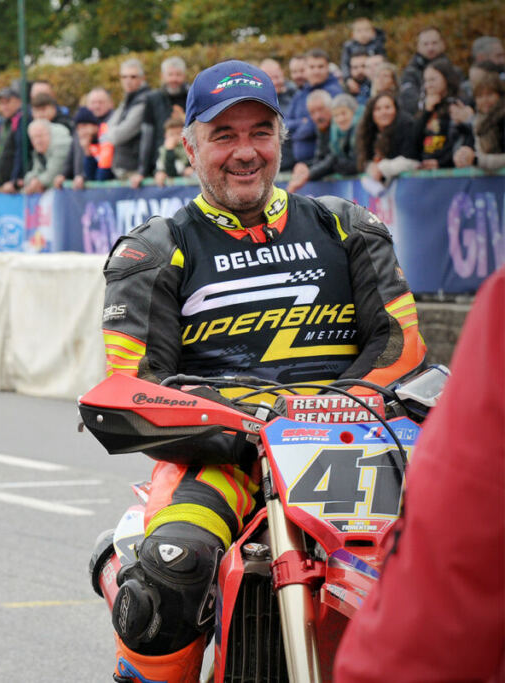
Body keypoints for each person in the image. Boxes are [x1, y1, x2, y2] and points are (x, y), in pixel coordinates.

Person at [98, 59, 426, 683]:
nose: (245, 152)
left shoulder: (347, 225)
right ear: (190, 146)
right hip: (223, 458)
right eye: (224, 135)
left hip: (356, 449)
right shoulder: (153, 248)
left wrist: (321, 412)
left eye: (260, 133)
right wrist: (247, 421)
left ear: (281, 138)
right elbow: (136, 382)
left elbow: (402, 348)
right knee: (172, 569)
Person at [333, 266, 505, 683]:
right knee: (182, 561)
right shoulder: (176, 243)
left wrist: (330, 406)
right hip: (221, 447)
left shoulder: (349, 232)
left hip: (350, 431)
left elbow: (398, 344)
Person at [287, 91, 359, 192]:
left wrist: (308, 174)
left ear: (331, 108)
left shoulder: (342, 125)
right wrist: (304, 167)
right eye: (312, 112)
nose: (317, 116)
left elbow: (334, 159)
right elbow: (321, 159)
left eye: (321, 109)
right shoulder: (321, 128)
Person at [411, 60, 472, 169]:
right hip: (425, 168)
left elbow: (461, 140)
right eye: (425, 81)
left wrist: (441, 163)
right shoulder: (425, 107)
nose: (428, 85)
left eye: (432, 80)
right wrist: (426, 112)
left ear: (446, 78)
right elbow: (413, 141)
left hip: (449, 169)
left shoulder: (458, 104)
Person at [101, 58, 152, 187]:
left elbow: (117, 136)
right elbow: (108, 126)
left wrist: (109, 133)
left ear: (142, 78)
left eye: (133, 77)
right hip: (125, 168)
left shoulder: (144, 100)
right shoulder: (128, 99)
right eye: (124, 77)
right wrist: (109, 132)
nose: (128, 81)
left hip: (136, 170)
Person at [287, 48, 343, 164]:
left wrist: (296, 135)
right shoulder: (300, 94)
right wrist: (302, 122)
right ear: (306, 69)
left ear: (327, 68)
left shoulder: (334, 92)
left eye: (320, 67)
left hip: (324, 162)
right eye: (312, 67)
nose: (316, 71)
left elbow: (315, 126)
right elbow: (284, 123)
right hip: (299, 164)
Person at [356, 91, 418, 184]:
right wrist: (371, 167)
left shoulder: (407, 125)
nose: (383, 112)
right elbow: (364, 161)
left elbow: (412, 160)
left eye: (388, 107)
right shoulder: (369, 133)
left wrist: (382, 168)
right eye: (378, 109)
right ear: (371, 114)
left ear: (396, 109)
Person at [400, 27, 463, 115]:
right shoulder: (410, 73)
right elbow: (408, 100)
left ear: (443, 44)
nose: (430, 48)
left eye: (434, 43)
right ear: (418, 46)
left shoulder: (455, 71)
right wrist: (426, 105)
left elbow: (463, 96)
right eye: (425, 44)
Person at [451, 73, 505, 171]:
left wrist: (475, 160)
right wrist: (464, 156)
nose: (485, 100)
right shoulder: (479, 122)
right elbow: (479, 155)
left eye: (489, 94)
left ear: (500, 96)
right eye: (480, 96)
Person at [259, 58, 298, 171]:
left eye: (278, 77)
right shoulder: (255, 103)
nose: (275, 82)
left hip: (293, 164)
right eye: (271, 78)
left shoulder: (295, 95)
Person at [21, 118, 71, 194]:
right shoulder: (39, 151)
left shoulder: (60, 145)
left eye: (40, 136)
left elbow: (52, 175)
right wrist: (32, 181)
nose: (38, 141)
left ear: (49, 134)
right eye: (34, 137)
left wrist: (37, 182)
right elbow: (36, 171)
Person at [339, 18, 386, 88]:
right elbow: (344, 64)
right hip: (355, 79)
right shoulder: (349, 47)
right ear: (353, 34)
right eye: (359, 31)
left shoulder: (377, 45)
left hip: (373, 78)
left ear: (373, 32)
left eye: (367, 30)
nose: (363, 34)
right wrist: (348, 79)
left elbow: (383, 63)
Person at [153, 115, 193, 185]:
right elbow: (167, 170)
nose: (175, 138)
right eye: (171, 134)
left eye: (178, 134)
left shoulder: (189, 149)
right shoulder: (163, 150)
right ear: (165, 135)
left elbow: (175, 172)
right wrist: (159, 172)